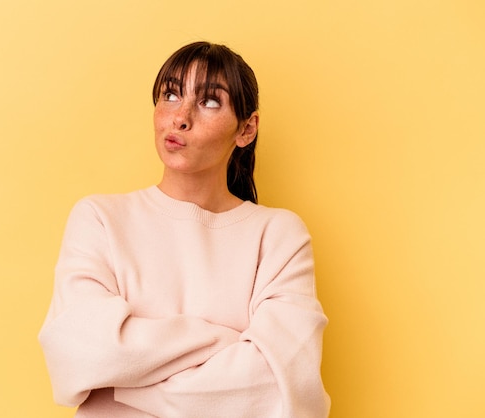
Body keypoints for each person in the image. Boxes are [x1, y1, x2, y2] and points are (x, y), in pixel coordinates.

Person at [38, 41, 330, 417]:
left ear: (246, 128)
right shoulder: (100, 218)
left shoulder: (277, 235)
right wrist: (227, 342)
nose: (181, 117)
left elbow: (288, 386)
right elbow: (77, 353)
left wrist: (122, 383)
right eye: (171, 94)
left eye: (210, 101)